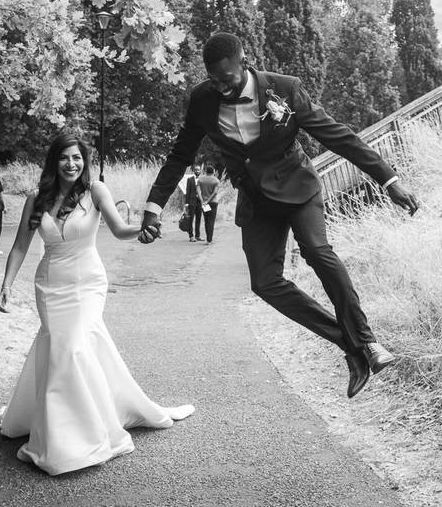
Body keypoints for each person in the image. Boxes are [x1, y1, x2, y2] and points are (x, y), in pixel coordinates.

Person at [138, 32, 420, 399]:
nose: (222, 87)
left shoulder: (284, 89)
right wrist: (153, 207)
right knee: (264, 282)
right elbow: (180, 155)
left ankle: (366, 341)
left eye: (228, 79)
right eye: (214, 80)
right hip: (256, 199)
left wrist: (388, 179)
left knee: (318, 251)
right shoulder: (202, 100)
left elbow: (338, 136)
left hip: (299, 186)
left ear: (244, 62)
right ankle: (349, 345)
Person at [0, 133, 194, 475]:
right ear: (53, 161)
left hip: (87, 282)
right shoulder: (36, 199)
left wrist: (141, 232)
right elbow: (20, 247)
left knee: (73, 349)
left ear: (84, 162)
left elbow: (119, 230)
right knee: (63, 348)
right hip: (50, 284)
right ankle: (63, 425)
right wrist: (7, 284)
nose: (71, 164)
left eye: (77, 158)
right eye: (64, 158)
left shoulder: (96, 192)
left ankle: (83, 434)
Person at [197, 164, 221, 244]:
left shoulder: (200, 179)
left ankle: (208, 239)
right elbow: (215, 192)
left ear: (206, 171)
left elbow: (198, 191)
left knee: (206, 220)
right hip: (212, 203)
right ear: (213, 171)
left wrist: (202, 200)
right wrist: (208, 201)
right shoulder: (216, 180)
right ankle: (209, 240)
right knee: (211, 221)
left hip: (204, 203)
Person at [184, 163, 203, 241]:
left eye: (198, 170)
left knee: (198, 219)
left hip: (200, 202)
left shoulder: (202, 179)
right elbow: (187, 191)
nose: (197, 171)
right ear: (193, 171)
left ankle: (198, 236)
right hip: (191, 202)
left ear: (200, 171)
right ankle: (191, 236)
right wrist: (186, 203)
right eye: (196, 170)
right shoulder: (190, 179)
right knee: (190, 219)